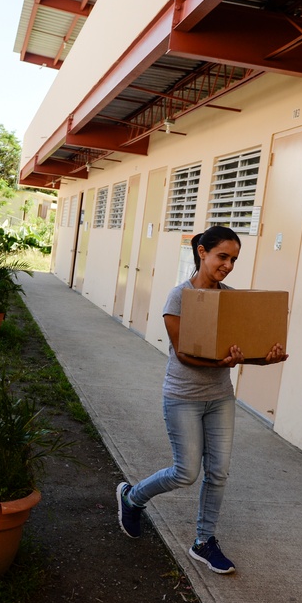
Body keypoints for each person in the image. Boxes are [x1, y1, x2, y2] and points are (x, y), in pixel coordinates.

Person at [116, 225, 287, 575]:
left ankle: (203, 541)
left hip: (220, 398)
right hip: (183, 397)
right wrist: (222, 361)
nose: (228, 265)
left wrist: (264, 357)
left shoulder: (232, 299)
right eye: (223, 256)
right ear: (202, 252)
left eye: (234, 259)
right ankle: (131, 497)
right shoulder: (178, 297)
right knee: (185, 472)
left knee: (219, 473)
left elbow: (238, 353)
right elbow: (183, 354)